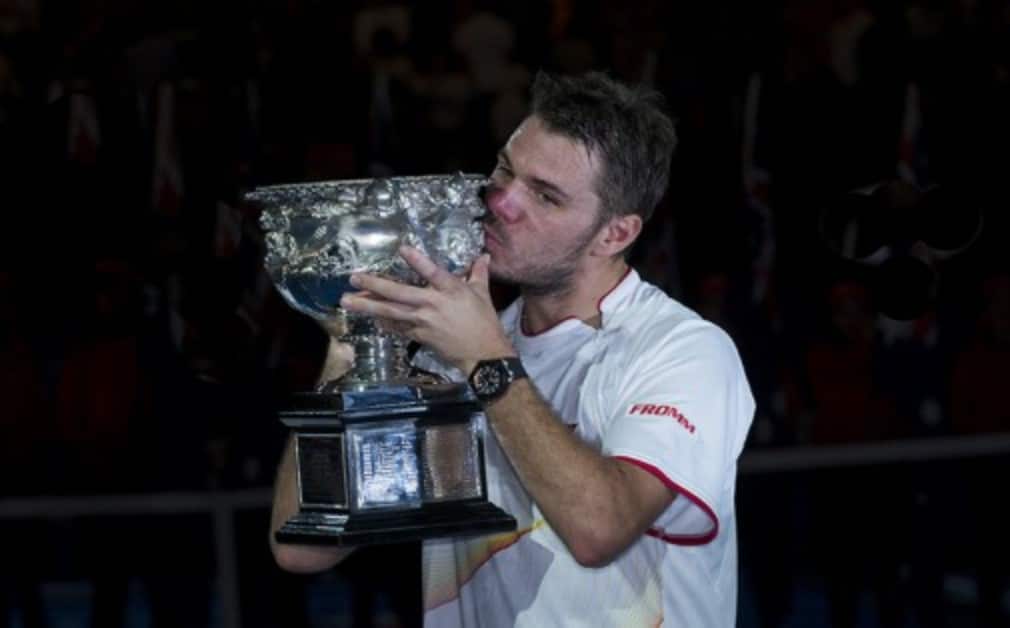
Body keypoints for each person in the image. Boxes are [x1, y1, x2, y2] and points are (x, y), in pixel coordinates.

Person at [270, 71, 755, 627]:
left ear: (614, 234)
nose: (501, 202)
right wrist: (350, 348)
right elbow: (303, 546)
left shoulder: (683, 352)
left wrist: (485, 360)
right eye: (505, 169)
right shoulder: (445, 349)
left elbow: (600, 531)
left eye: (545, 196)